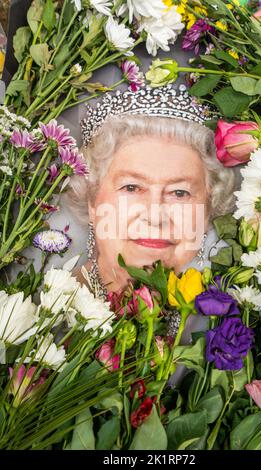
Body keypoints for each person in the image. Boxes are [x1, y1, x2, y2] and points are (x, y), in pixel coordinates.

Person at [65, 84, 236, 362]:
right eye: (132, 187)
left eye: (179, 192)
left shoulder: (227, 332)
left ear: (208, 211)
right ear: (92, 201)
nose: (155, 216)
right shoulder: (40, 315)